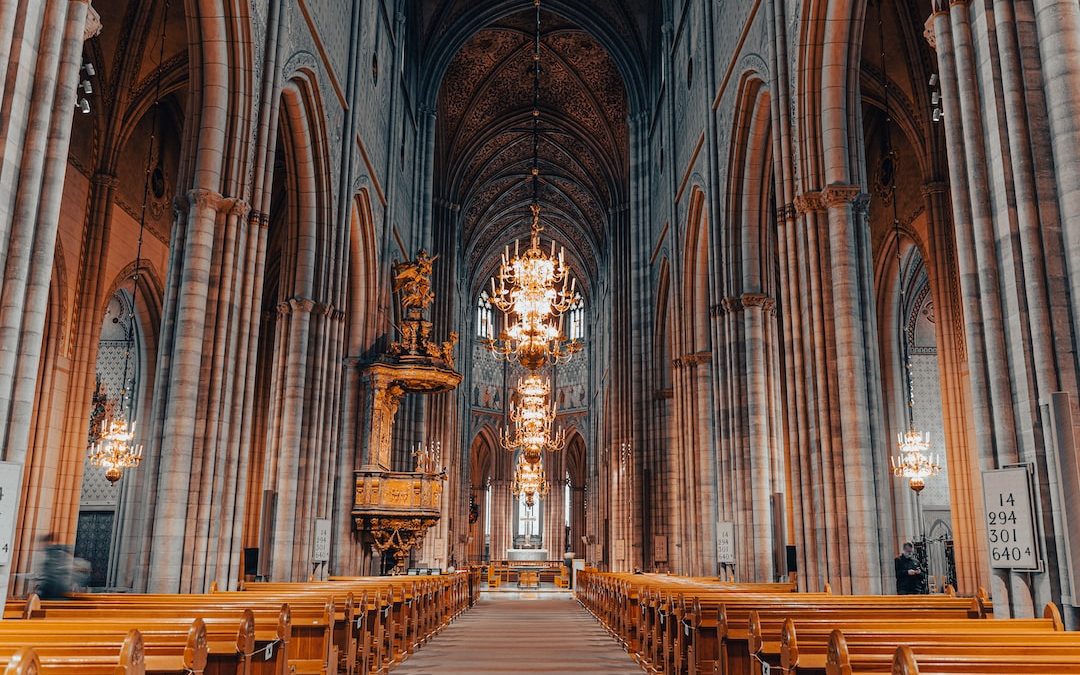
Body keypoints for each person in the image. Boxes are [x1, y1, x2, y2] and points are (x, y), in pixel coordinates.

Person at [34, 533, 83, 599]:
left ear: (49, 542)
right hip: (61, 590)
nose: (41, 545)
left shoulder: (54, 554)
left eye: (42, 543)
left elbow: (51, 574)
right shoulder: (62, 553)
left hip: (53, 590)